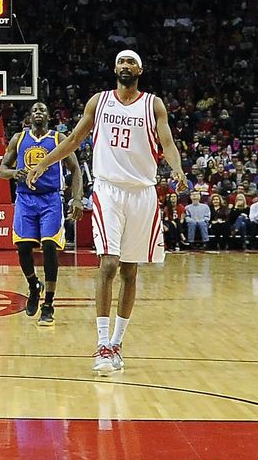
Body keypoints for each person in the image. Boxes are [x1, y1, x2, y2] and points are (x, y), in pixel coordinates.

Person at [26, 50, 187, 375]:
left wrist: (178, 169)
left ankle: (116, 343)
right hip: (108, 190)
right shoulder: (98, 102)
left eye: (131, 62)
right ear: (115, 69)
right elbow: (74, 139)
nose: (125, 66)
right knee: (109, 263)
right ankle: (100, 342)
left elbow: (167, 144)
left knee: (130, 272)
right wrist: (44, 163)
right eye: (121, 62)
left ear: (140, 69)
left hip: (142, 192)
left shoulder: (153, 104)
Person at [0, 101, 83, 327]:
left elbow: (76, 169)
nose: (38, 112)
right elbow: (1, 171)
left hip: (51, 199)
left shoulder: (58, 139)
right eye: (35, 110)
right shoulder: (19, 138)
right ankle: (34, 285)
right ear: (29, 116)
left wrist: (77, 198)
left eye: (43, 110)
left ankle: (49, 304)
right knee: (23, 247)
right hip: (25, 199)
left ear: (48, 117)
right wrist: (15, 172)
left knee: (48, 246)